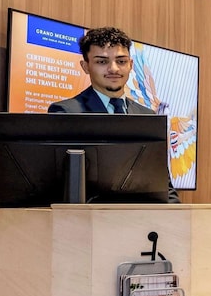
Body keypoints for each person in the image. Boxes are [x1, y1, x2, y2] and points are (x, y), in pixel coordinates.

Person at [48, 26, 180, 203]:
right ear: (85, 66)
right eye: (102, 62)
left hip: (144, 218)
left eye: (121, 61)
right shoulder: (66, 112)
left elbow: (164, 185)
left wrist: (177, 215)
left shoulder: (148, 116)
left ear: (130, 65)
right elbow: (62, 187)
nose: (114, 69)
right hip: (92, 218)